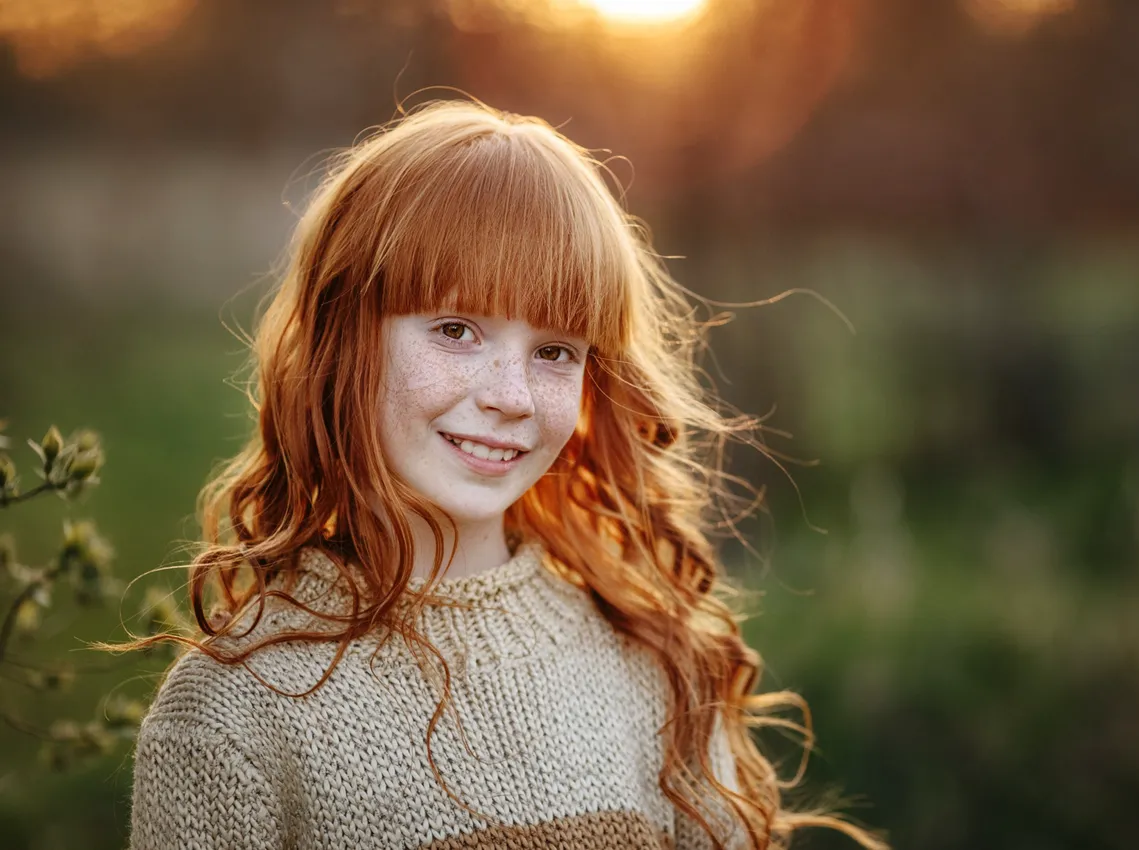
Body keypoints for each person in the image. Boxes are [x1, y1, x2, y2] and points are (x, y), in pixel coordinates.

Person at [110, 99, 887, 850]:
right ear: (344, 338)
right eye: (455, 330)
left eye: (555, 351)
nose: (510, 398)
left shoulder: (654, 660)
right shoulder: (231, 716)